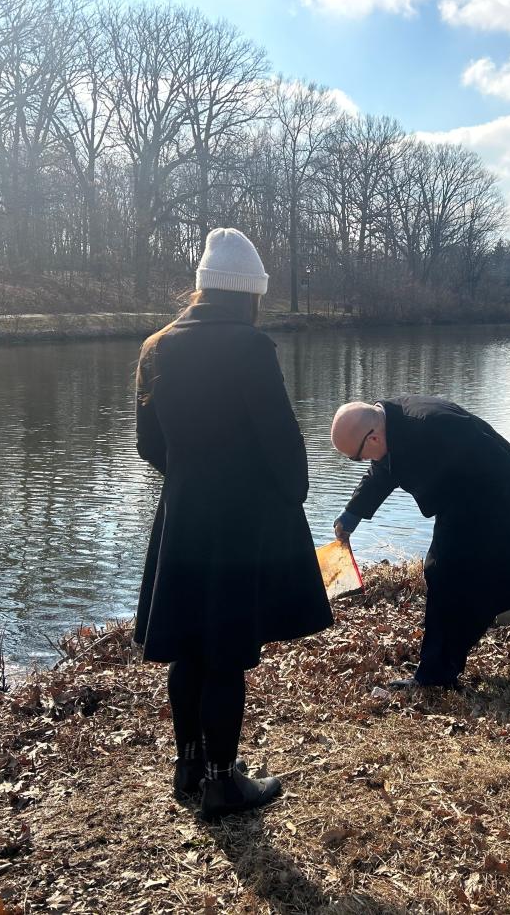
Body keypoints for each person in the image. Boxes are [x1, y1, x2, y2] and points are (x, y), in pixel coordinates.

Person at [134, 228, 332, 820]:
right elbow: (283, 445)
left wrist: (191, 476)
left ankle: (188, 767)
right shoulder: (250, 347)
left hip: (181, 517)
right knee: (224, 651)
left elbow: (148, 445)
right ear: (248, 294)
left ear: (200, 289)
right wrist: (285, 495)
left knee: (188, 647)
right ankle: (223, 785)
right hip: (238, 523)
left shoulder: (156, 347)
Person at [330, 398, 510, 690]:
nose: (363, 462)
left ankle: (435, 675)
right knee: (448, 574)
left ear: (374, 436)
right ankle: (442, 663)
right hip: (464, 493)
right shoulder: (391, 422)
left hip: (494, 494)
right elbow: (386, 467)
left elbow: (479, 468)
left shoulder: (430, 428)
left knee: (447, 574)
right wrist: (353, 512)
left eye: (358, 457)